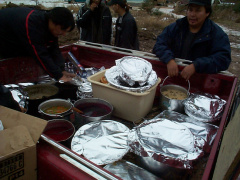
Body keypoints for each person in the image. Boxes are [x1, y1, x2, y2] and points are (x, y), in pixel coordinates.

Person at [153, 0, 231, 81]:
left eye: (198, 10)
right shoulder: (176, 27)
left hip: (199, 81)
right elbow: (159, 44)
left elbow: (223, 59)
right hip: (172, 76)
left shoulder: (216, 34)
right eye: (190, 10)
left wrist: (196, 66)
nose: (192, 14)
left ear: (207, 13)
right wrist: (169, 60)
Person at [0, 7, 76, 82]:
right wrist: (58, 75)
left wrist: (61, 70)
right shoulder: (33, 24)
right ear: (53, 22)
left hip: (16, 34)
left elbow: (54, 48)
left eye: (66, 31)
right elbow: (39, 53)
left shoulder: (50, 27)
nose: (64, 34)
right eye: (63, 30)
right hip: (5, 36)